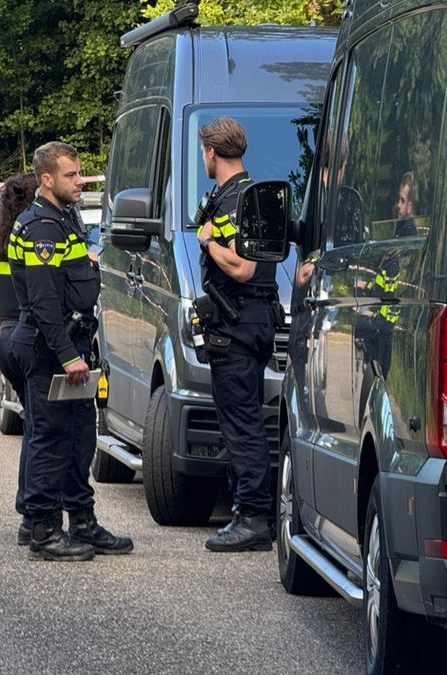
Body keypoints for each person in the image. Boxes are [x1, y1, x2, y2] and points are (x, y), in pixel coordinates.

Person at [9, 141, 133, 561]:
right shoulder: (42, 228)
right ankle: (43, 529)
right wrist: (67, 355)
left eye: (80, 174)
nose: (80, 181)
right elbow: (43, 302)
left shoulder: (64, 218)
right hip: (50, 346)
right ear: (47, 180)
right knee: (51, 438)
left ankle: (81, 520)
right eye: (71, 175)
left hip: (72, 340)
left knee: (79, 435)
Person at [193, 118, 280, 553]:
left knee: (241, 423)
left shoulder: (232, 203)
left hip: (238, 324)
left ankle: (252, 517)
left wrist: (209, 242)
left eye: (202, 152)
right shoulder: (254, 194)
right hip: (258, 319)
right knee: (245, 419)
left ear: (210, 152)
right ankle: (249, 512)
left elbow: (244, 268)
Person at [0, 172, 40, 546]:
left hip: (5, 339)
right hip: (26, 338)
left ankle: (29, 507)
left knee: (34, 429)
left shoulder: (0, 242)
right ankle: (32, 512)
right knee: (43, 433)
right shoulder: (32, 241)